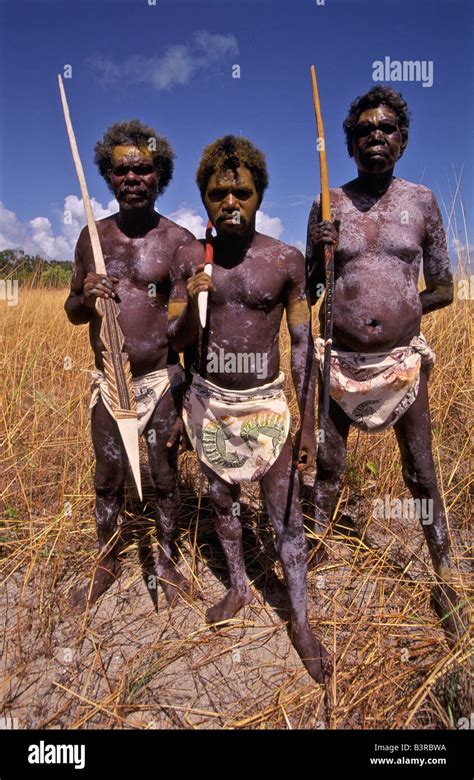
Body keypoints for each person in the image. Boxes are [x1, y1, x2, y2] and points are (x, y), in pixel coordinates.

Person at [167, 135, 330, 683]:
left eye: (241, 193)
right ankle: (238, 585)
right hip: (211, 404)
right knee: (221, 502)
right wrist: (191, 299)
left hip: (267, 406)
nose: (230, 203)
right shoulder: (191, 258)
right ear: (204, 198)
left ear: (260, 195)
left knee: (284, 514)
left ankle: (301, 620)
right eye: (217, 194)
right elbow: (178, 338)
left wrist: (308, 423)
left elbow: (303, 345)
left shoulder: (285, 261)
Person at [306, 87, 466, 642]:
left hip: (401, 362)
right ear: (349, 143)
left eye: (388, 128)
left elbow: (443, 287)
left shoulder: (420, 202)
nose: (377, 137)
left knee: (420, 472)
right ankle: (312, 566)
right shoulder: (329, 203)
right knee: (328, 468)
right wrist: (321, 250)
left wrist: (400, 310)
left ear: (402, 139)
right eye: (366, 130)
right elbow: (308, 289)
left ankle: (443, 570)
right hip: (339, 361)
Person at [65, 120, 194, 611]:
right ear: (108, 176)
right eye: (123, 170)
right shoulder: (92, 239)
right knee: (108, 475)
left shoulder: (179, 241)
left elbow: (188, 328)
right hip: (109, 380)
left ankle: (164, 558)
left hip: (161, 379)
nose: (134, 177)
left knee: (164, 474)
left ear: (160, 175)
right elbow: (73, 313)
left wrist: (188, 388)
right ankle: (107, 559)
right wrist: (86, 294)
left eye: (144, 169)